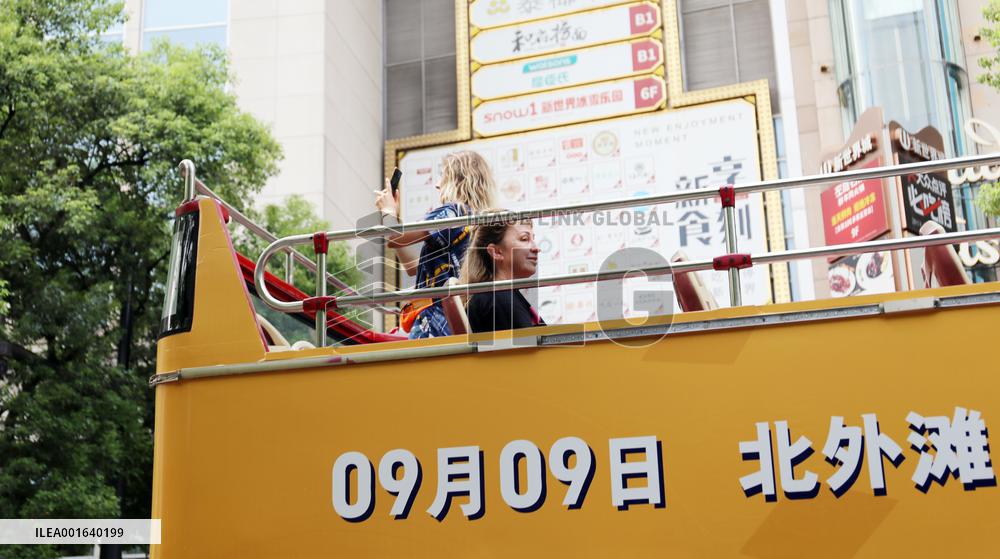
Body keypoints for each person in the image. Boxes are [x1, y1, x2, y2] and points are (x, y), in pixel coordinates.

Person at [374, 150, 497, 339]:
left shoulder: (452, 212)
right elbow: (412, 267)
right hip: (457, 319)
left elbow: (394, 238)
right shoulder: (475, 220)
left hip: (436, 321)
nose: (437, 185)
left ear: (457, 180)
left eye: (443, 176)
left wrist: (388, 211)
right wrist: (394, 219)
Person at [460, 216, 544, 333]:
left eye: (533, 239)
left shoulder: (499, 295)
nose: (536, 248)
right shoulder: (499, 300)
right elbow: (534, 350)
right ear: (496, 252)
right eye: (524, 239)